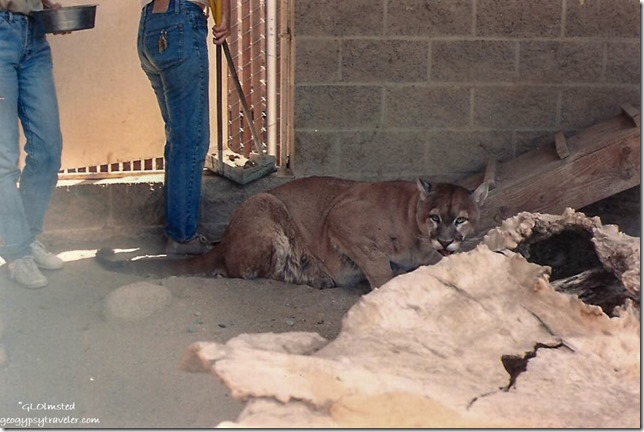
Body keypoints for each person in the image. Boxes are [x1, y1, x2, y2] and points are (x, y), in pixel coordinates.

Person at [137, 0, 230, 255]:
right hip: (181, 23)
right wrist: (226, 17)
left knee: (179, 136)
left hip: (150, 23)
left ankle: (177, 231)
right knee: (191, 139)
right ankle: (183, 238)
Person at [0, 0, 66, 289]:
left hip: (33, 34)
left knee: (48, 149)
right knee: (3, 156)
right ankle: (17, 250)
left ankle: (26, 236)